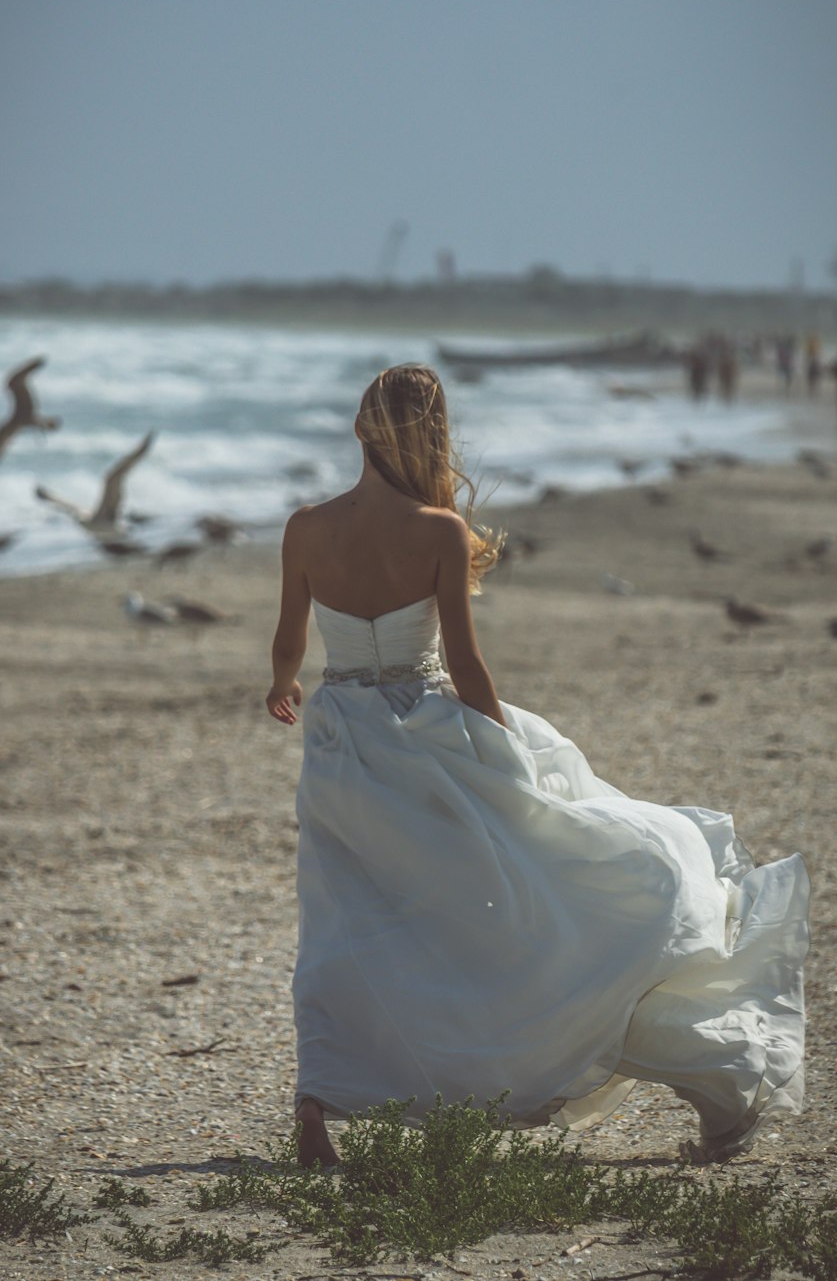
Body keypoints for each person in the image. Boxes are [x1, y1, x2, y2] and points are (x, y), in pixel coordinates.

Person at [266, 364, 809, 1169]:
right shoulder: (439, 530)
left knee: (342, 918)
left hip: (342, 741)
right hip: (427, 733)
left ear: (358, 429)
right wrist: (505, 746)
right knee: (518, 900)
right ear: (433, 437)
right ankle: (692, 1066)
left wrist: (284, 686)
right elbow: (465, 662)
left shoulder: (306, 526)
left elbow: (288, 640)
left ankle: (318, 1105)